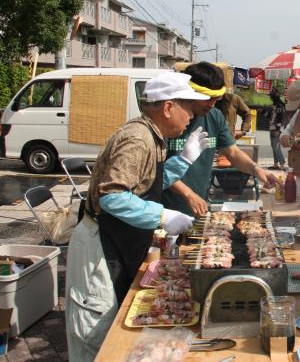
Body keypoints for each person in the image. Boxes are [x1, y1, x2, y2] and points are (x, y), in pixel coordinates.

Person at [65, 72, 212, 361]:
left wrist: (183, 160)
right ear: (168, 108)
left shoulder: (153, 138)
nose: (190, 119)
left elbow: (148, 182)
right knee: (95, 335)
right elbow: (113, 196)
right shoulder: (137, 138)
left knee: (112, 321)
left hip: (119, 240)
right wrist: (162, 215)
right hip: (99, 245)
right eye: (188, 111)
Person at [162, 62, 277, 217]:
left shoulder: (214, 116)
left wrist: (256, 169)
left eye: (216, 99)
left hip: (198, 204)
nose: (212, 104)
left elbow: (233, 153)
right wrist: (188, 194)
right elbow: (158, 170)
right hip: (167, 209)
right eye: (208, 98)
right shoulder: (169, 119)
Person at [267, 88, 286, 170]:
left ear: (274, 97)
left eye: (271, 97)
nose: (270, 98)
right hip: (272, 128)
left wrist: (278, 130)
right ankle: (276, 164)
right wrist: (262, 112)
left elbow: (280, 119)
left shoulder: (279, 106)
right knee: (274, 146)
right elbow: (271, 117)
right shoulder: (275, 106)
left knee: (276, 147)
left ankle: (282, 164)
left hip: (276, 129)